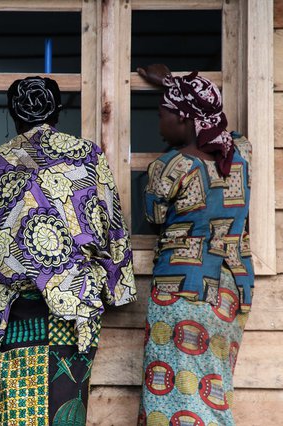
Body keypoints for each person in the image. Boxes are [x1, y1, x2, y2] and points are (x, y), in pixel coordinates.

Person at [0, 77, 136, 425]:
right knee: (66, 409)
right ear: (58, 111)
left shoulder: (2, 160)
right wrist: (117, 285)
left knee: (20, 411)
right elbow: (112, 223)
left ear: (14, 115)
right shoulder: (88, 156)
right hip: (75, 305)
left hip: (18, 308)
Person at [136, 64, 253, 426]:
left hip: (181, 290)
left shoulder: (169, 167)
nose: (158, 124)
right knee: (213, 390)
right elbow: (220, 126)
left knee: (172, 394)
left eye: (163, 115)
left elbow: (153, 216)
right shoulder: (240, 156)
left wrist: (175, 85)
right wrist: (176, 85)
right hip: (232, 289)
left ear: (185, 118)